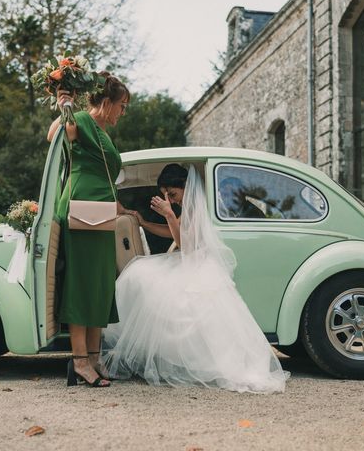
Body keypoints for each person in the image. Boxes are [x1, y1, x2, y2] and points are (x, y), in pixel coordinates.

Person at [105, 164, 289, 393]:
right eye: (167, 196)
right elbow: (172, 231)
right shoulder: (187, 205)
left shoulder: (195, 207)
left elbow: (184, 244)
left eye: (172, 194)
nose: (170, 200)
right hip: (193, 260)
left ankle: (180, 358)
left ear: (185, 187)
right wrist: (143, 222)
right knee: (140, 274)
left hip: (199, 263)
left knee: (142, 275)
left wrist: (169, 213)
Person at [47, 72, 130, 388]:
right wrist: (65, 107)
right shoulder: (80, 119)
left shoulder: (103, 130)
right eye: (121, 106)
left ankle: (94, 356)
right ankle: (80, 361)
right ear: (107, 102)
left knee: (99, 285)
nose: (122, 112)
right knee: (83, 284)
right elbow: (54, 136)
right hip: (82, 212)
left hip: (102, 215)